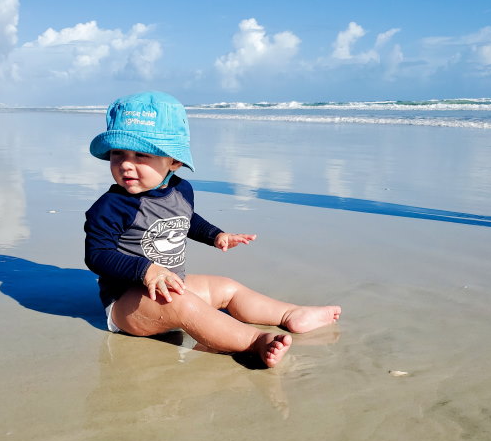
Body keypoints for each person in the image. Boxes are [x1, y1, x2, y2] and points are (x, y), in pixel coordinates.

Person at [84, 92, 341, 367]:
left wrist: (215, 235)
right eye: (117, 154)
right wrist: (146, 270)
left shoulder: (181, 190)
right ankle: (254, 341)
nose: (125, 164)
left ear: (174, 161)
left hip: (174, 285)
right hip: (129, 302)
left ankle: (289, 314)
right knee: (184, 306)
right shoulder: (111, 206)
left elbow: (187, 219)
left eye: (141, 155)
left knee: (227, 288)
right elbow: (97, 255)